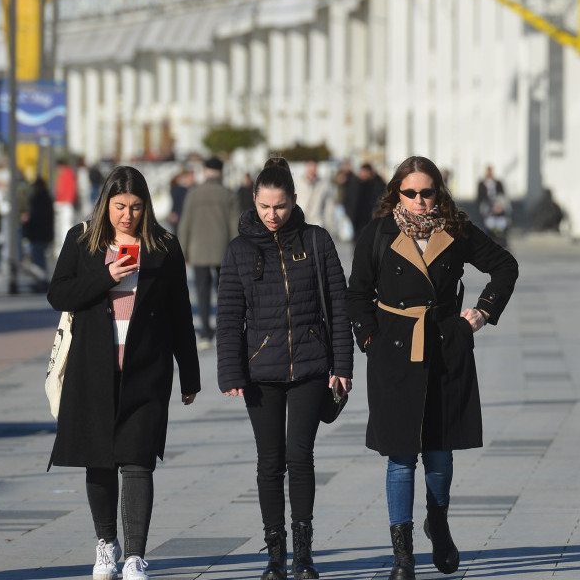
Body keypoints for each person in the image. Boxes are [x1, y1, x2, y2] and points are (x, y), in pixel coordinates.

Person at [347, 156, 518, 580]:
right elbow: (357, 294)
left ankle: (438, 524)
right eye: (411, 193)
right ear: (396, 194)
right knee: (401, 457)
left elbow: (504, 266)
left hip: (446, 349)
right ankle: (403, 555)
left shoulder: (456, 229)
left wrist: (480, 314)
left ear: (438, 192)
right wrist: (370, 340)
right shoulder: (378, 233)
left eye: (427, 192)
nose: (420, 201)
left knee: (440, 454)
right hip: (395, 355)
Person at [46, 165, 201, 580]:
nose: (126, 215)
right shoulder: (81, 240)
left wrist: (190, 375)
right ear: (105, 204)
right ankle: (105, 545)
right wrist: (103, 276)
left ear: (146, 206)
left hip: (145, 369)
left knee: (138, 461)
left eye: (135, 207)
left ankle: (134, 555)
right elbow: (58, 293)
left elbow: (180, 313)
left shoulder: (164, 245)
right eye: (119, 206)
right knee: (97, 459)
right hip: (92, 369)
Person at [218, 158, 354, 580]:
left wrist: (342, 365)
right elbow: (228, 315)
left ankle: (303, 552)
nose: (272, 215)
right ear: (254, 201)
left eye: (279, 206)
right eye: (264, 207)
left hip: (312, 368)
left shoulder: (315, 241)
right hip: (262, 373)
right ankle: (275, 553)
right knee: (269, 461)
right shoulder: (240, 249)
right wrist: (231, 372)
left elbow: (338, 303)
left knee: (301, 456)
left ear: (294, 201)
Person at [179, 157, 240, 348]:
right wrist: (238, 253)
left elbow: (185, 225)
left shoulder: (193, 194)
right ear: (221, 171)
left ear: (204, 171)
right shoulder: (228, 194)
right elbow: (235, 226)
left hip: (198, 251)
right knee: (225, 293)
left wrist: (183, 251)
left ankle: (205, 333)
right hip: (223, 250)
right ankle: (225, 331)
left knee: (202, 293)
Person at [21, 176, 56, 274]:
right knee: (38, 259)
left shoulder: (40, 200)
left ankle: (42, 279)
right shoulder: (44, 199)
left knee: (38, 260)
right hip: (41, 235)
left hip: (39, 235)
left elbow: (38, 217)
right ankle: (42, 278)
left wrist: (27, 222)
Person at [347, 163, 385, 238]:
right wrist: (351, 215)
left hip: (370, 220)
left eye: (365, 172)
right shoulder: (355, 184)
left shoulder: (375, 184)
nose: (362, 174)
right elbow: (348, 200)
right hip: (357, 220)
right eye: (361, 172)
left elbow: (382, 194)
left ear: (369, 172)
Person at [296, 159, 334, 231]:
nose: (312, 169)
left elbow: (329, 207)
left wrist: (329, 226)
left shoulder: (324, 185)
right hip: (300, 222)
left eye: (314, 166)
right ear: (306, 167)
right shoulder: (298, 183)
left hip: (318, 222)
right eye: (310, 166)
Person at [168, 168, 195, 232]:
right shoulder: (179, 190)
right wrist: (173, 212)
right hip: (179, 217)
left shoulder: (188, 189)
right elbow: (174, 202)